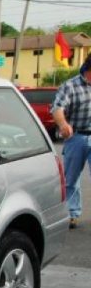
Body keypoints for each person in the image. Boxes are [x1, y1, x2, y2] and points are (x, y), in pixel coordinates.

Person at [52, 55, 91, 229]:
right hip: (76, 137)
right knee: (71, 178)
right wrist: (63, 124)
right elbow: (58, 108)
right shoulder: (70, 86)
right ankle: (71, 213)